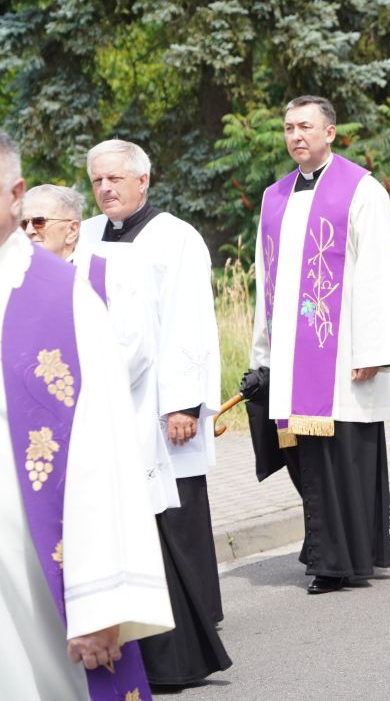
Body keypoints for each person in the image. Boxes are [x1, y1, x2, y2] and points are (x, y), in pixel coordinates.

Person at [0, 133, 174, 700]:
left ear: (15, 194)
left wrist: (102, 603)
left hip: (32, 574)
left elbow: (103, 453)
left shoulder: (63, 299)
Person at [76, 138, 229, 686]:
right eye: (97, 181)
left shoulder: (175, 237)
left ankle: (196, 627)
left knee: (176, 514)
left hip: (162, 406)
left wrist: (183, 404)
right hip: (108, 401)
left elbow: (191, 322)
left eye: (116, 179)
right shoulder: (86, 236)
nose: (106, 189)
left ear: (143, 181)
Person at [248, 95, 390, 594]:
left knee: (346, 455)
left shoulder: (361, 189)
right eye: (289, 127)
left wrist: (373, 351)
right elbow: (265, 279)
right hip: (294, 358)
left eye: (306, 127)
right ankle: (340, 549)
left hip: (343, 354)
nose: (296, 136)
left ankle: (338, 559)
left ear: (330, 133)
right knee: (307, 457)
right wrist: (263, 354)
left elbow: (379, 273)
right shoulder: (274, 196)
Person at [22, 184, 177, 516]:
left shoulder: (111, 272)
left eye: (38, 221)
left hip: (105, 421)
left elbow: (135, 349)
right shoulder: (19, 282)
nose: (29, 232)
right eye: (22, 224)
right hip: (40, 430)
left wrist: (78, 396)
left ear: (72, 229)